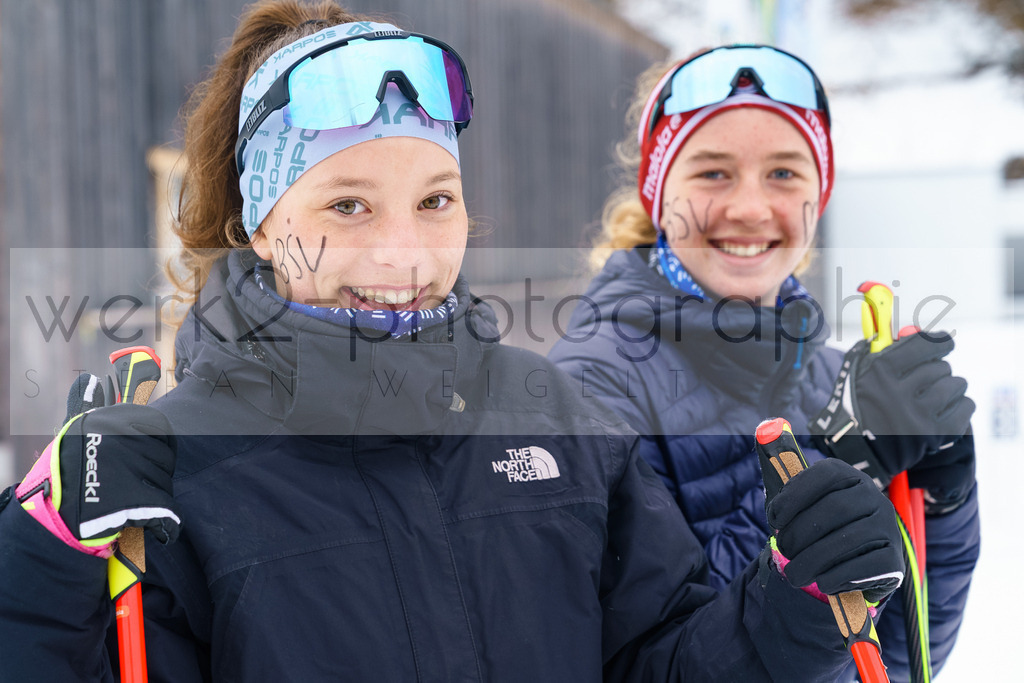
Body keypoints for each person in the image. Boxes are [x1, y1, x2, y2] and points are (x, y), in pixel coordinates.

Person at [0, 7, 907, 681]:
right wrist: (38, 562)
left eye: (435, 200)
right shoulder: (176, 468)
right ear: (261, 226)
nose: (403, 251)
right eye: (347, 204)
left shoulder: (555, 417)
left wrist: (788, 603)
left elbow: (659, 660)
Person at [548, 45, 979, 682]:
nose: (750, 208)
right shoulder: (589, 387)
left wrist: (943, 501)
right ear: (658, 195)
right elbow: (638, 663)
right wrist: (840, 458)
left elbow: (896, 663)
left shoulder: (835, 375)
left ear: (819, 197)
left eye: (784, 173)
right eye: (712, 173)